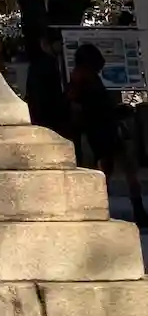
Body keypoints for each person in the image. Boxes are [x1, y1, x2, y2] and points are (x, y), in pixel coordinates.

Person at [68, 42, 148, 228]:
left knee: (116, 169)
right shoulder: (82, 80)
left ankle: (126, 209)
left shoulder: (85, 78)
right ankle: (103, 208)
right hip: (98, 131)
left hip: (103, 128)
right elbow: (82, 108)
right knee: (110, 170)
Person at [26, 30, 70, 138]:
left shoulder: (49, 62)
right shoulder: (45, 64)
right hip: (50, 114)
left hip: (49, 114)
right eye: (59, 43)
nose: (61, 46)